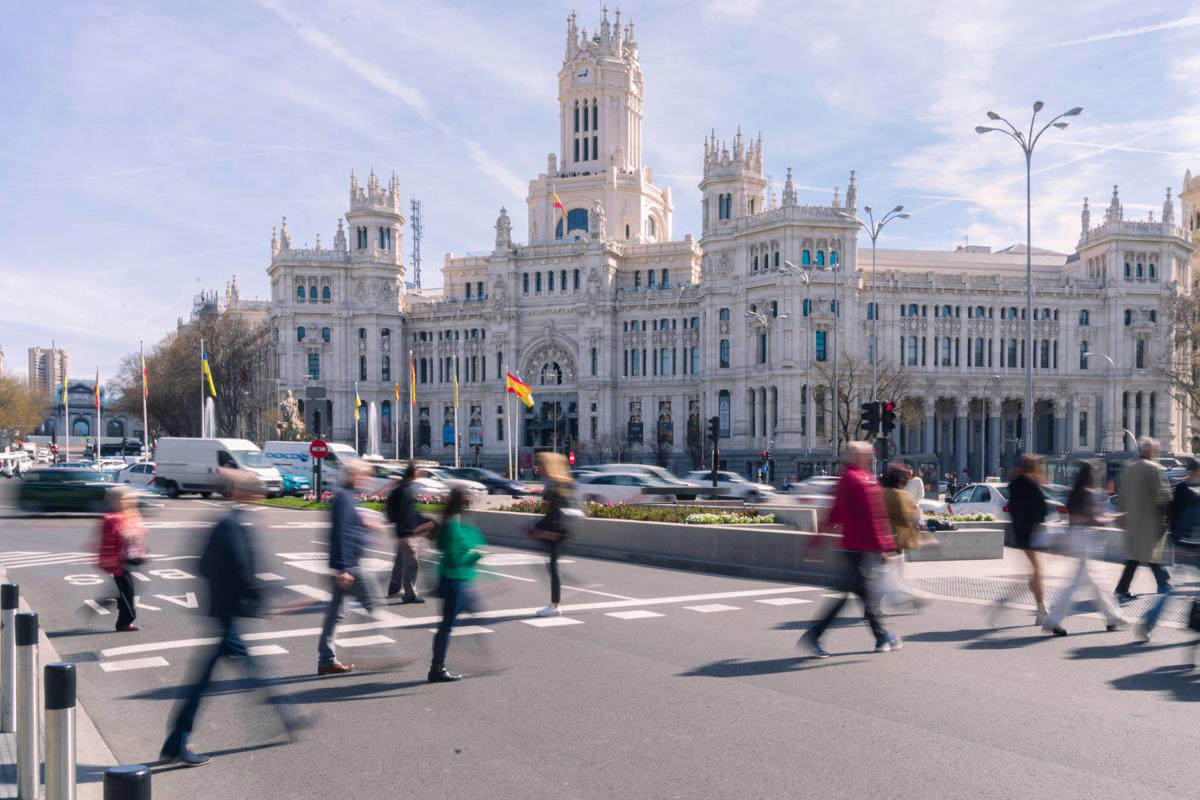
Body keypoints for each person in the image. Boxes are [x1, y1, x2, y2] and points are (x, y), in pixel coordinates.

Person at [160, 469, 311, 767]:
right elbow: (243, 571)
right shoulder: (232, 524)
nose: (259, 492)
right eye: (253, 488)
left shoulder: (228, 521)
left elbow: (205, 566)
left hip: (223, 611)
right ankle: (177, 742)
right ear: (238, 492)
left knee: (242, 671)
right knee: (211, 681)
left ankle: (287, 716)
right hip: (227, 613)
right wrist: (264, 602)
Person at [799, 441, 901, 657]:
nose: (871, 457)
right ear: (858, 456)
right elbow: (874, 518)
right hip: (862, 549)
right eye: (867, 454)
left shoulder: (848, 479)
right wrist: (885, 547)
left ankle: (882, 637)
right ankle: (814, 635)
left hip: (853, 548)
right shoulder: (861, 480)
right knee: (854, 596)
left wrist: (816, 543)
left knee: (865, 596)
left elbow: (833, 514)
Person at [317, 461, 403, 676]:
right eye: (365, 475)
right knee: (375, 604)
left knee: (336, 613)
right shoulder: (344, 498)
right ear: (353, 475)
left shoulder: (346, 497)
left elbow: (347, 528)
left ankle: (326, 660)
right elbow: (340, 534)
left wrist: (366, 525)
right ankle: (380, 654)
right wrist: (344, 569)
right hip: (351, 567)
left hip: (346, 565)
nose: (368, 480)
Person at [1041, 462, 1128, 636]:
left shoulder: (1075, 493)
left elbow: (1076, 518)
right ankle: (1053, 620)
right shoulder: (1088, 494)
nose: (1096, 474)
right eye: (1094, 472)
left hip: (1076, 538)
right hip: (1085, 540)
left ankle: (1113, 618)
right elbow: (1093, 518)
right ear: (1090, 474)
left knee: (1097, 583)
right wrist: (1111, 517)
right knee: (1077, 585)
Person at [1134, 456, 1200, 641]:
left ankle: (1149, 621)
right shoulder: (1193, 492)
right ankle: (1151, 620)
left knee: (1174, 591)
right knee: (1177, 590)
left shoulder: (1181, 489)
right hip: (1192, 547)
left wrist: (1174, 542)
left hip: (1181, 544)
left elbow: (1171, 515)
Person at [429, 486, 487, 683]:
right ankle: (438, 667)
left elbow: (440, 547)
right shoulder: (453, 525)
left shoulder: (448, 521)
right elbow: (455, 558)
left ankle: (444, 664)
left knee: (452, 623)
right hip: (455, 581)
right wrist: (476, 556)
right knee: (447, 626)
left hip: (451, 580)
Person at [990, 454, 1049, 626]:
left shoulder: (1015, 484)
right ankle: (1037, 608)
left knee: (1035, 573)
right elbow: (1042, 510)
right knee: (1036, 572)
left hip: (1021, 533)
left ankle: (1041, 609)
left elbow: (1012, 509)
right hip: (1033, 533)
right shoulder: (1032, 485)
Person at [1113, 436, 1171, 603]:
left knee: (1137, 555)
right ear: (1151, 451)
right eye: (1155, 450)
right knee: (1148, 553)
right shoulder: (1153, 468)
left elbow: (1121, 495)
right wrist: (1168, 515)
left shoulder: (1128, 468)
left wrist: (1122, 518)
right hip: (1150, 520)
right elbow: (1162, 496)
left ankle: (1123, 588)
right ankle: (1163, 584)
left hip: (1132, 520)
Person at [529, 452, 580, 617]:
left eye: (541, 464)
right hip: (558, 531)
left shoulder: (555, 487)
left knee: (553, 566)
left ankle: (555, 605)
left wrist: (543, 531)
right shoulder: (560, 484)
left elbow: (555, 514)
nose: (538, 467)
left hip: (556, 532)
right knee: (552, 565)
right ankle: (558, 600)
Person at [95, 486, 148, 632]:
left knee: (126, 590)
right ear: (115, 501)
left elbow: (139, 532)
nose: (129, 501)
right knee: (126, 591)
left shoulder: (128, 513)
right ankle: (124, 622)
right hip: (118, 560)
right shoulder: (111, 517)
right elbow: (110, 539)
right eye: (125, 499)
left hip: (129, 557)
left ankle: (118, 609)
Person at [879, 465, 928, 611]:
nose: (906, 480)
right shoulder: (897, 495)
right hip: (893, 541)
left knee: (889, 577)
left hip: (889, 541)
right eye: (903, 477)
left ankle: (899, 599)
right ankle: (910, 597)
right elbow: (905, 517)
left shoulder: (885, 493)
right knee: (892, 576)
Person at [385, 463, 433, 602]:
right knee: (412, 564)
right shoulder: (405, 491)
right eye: (418, 470)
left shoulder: (402, 488)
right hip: (407, 533)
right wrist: (413, 529)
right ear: (413, 473)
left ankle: (394, 588)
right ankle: (410, 595)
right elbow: (407, 514)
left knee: (400, 561)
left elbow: (395, 513)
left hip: (403, 532)